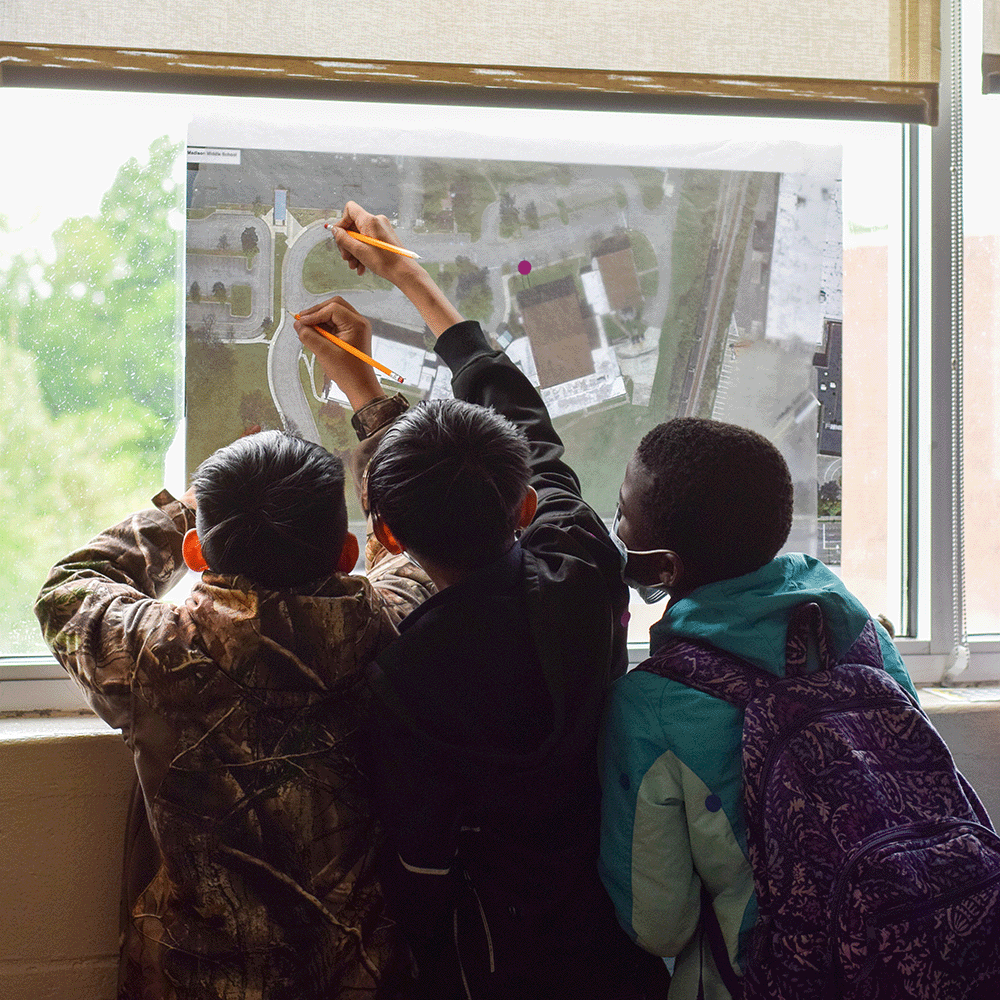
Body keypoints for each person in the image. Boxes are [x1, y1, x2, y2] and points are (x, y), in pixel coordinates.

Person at [293, 203, 669, 999]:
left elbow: (418, 859)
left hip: (496, 953)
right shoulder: (584, 568)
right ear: (525, 508)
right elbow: (529, 430)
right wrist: (409, 276)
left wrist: (358, 383)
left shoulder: (407, 668)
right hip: (614, 923)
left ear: (385, 536)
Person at [35, 429, 432, 1000]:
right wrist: (378, 417)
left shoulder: (155, 651)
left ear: (195, 554)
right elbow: (422, 537)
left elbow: (69, 586)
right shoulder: (397, 620)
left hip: (193, 980)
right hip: (364, 975)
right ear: (347, 551)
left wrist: (185, 508)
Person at [598, 418, 920, 999]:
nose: (615, 525)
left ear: (665, 568)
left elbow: (658, 922)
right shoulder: (864, 637)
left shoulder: (651, 704)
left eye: (622, 514)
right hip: (911, 943)